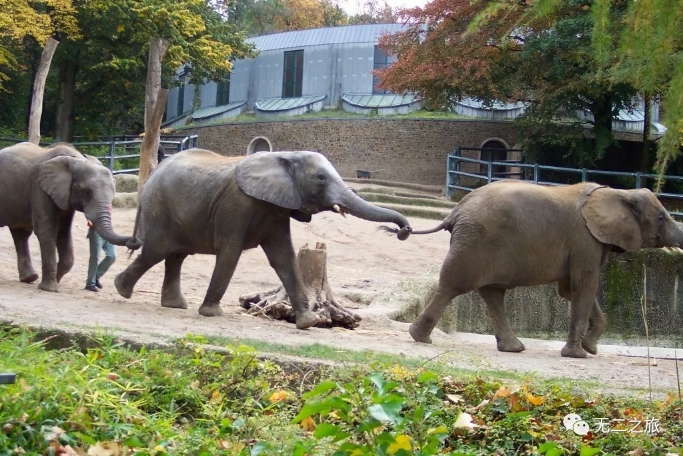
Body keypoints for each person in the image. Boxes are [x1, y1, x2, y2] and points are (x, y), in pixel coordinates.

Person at [84, 208, 116, 292]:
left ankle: (96, 276)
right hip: (96, 231)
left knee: (112, 256)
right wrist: (88, 219)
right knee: (95, 257)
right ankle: (90, 284)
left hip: (108, 231)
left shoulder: (108, 200)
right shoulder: (95, 200)